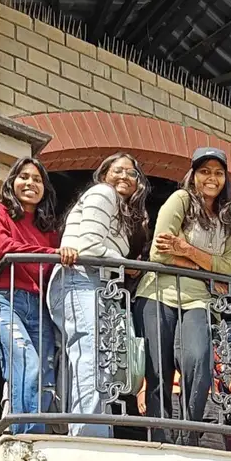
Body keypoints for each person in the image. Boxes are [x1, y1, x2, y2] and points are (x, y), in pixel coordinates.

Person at [134, 147, 231, 438]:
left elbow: (229, 268)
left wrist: (186, 250)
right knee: (158, 369)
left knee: (198, 359)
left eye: (218, 173)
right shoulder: (181, 199)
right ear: (193, 175)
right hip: (158, 292)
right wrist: (207, 267)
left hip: (201, 299)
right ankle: (160, 436)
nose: (212, 178)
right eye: (204, 171)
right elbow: (159, 254)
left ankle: (190, 434)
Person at [48, 153, 149, 437]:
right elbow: (90, 248)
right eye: (118, 170)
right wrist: (125, 265)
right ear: (104, 174)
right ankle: (89, 434)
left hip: (89, 284)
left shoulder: (118, 208)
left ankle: (85, 429)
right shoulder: (103, 194)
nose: (125, 177)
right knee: (92, 356)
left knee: (91, 357)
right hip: (82, 279)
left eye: (132, 174)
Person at [0, 158, 61, 433]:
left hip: (41, 306)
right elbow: (0, 247)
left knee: (46, 374)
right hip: (7, 299)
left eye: (37, 179)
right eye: (24, 177)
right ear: (12, 182)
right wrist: (54, 255)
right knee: (27, 364)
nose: (30, 183)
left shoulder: (48, 231)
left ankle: (35, 435)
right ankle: (25, 438)